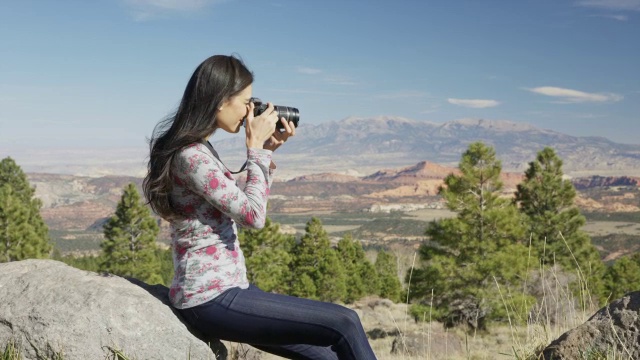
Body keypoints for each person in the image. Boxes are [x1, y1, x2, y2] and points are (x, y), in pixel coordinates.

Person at [143, 54, 377, 360]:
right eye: (246, 102)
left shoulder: (199, 149)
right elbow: (253, 217)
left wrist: (265, 152)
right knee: (345, 321)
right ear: (219, 100)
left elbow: (242, 200)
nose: (250, 111)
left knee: (329, 356)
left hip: (230, 290)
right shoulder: (191, 156)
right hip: (207, 298)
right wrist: (255, 151)